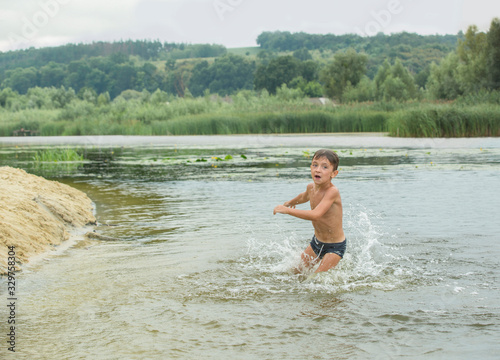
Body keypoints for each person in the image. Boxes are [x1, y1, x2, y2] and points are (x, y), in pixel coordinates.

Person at [273, 149, 346, 273]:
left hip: (334, 246)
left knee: (316, 279)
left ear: (334, 173)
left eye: (324, 167)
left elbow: (316, 215)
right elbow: (304, 196)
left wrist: (287, 210)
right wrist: (290, 203)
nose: (318, 169)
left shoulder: (332, 192)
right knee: (295, 273)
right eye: (315, 165)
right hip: (316, 243)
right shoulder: (311, 187)